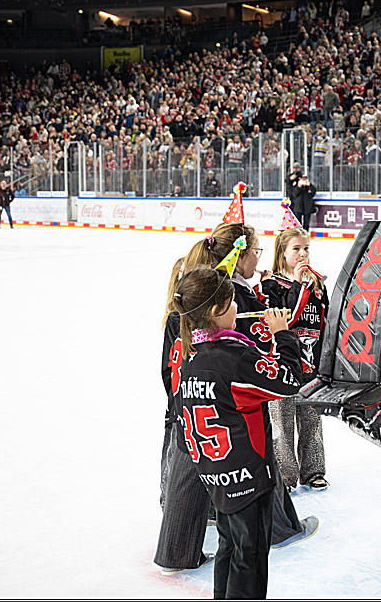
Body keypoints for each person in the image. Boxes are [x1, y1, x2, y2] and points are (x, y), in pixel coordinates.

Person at [155, 224, 317, 577]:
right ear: (239, 255)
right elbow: (279, 375)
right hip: (230, 426)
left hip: (192, 413)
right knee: (247, 531)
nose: (259, 260)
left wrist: (179, 403)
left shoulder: (192, 297)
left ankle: (177, 551)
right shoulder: (230, 299)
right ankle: (278, 529)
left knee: (198, 490)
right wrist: (285, 336)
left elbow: (169, 369)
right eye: (255, 252)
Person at [172, 267, 303, 600]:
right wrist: (283, 334)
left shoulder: (191, 355)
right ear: (216, 311)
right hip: (248, 479)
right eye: (232, 304)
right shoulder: (235, 359)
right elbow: (289, 382)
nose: (237, 309)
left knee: (230, 548)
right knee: (250, 558)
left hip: (215, 476)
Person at [260, 226, 330, 492]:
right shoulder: (271, 284)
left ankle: (314, 471)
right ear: (282, 252)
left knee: (312, 421)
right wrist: (300, 286)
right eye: (296, 249)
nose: (303, 254)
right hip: (283, 364)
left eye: (306, 248)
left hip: (312, 365)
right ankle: (285, 477)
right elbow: (285, 318)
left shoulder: (318, 284)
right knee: (282, 423)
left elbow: (325, 322)